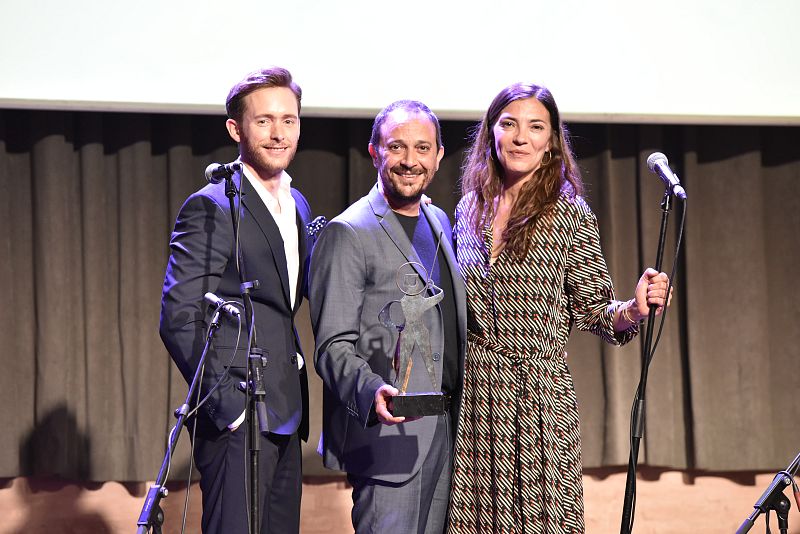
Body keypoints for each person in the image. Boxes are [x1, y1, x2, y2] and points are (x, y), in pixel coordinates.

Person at [447, 83, 671, 533]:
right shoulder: (469, 209)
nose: (520, 137)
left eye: (535, 127)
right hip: (476, 397)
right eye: (508, 124)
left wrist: (635, 309)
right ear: (491, 132)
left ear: (551, 141)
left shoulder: (570, 214)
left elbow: (596, 310)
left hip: (538, 401)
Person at [159, 67, 313, 534]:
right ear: (236, 129)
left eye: (288, 120)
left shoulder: (297, 203)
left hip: (285, 408)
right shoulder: (212, 204)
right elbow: (178, 315)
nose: (278, 132)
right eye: (264, 120)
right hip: (239, 414)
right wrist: (228, 408)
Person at [309, 100, 467, 533]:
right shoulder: (348, 231)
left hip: (447, 430)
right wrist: (371, 387)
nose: (410, 160)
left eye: (422, 148)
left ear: (438, 156)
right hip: (389, 435)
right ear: (375, 152)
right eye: (396, 147)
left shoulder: (439, 220)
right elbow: (332, 345)